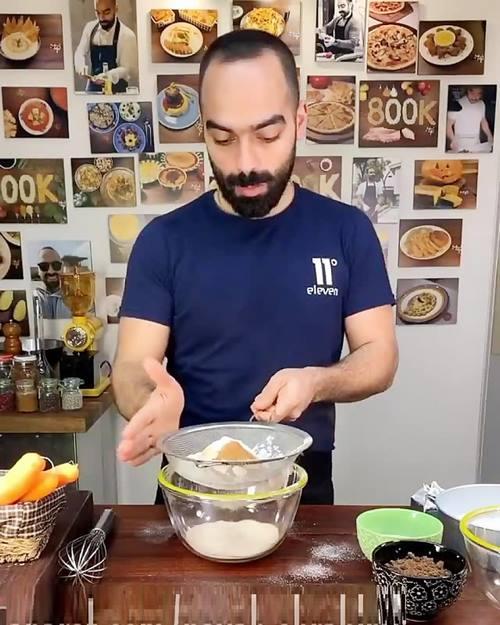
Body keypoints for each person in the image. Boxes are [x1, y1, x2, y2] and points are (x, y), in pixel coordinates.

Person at [112, 30, 398, 505]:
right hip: (191, 477)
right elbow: (129, 366)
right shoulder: (163, 241)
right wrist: (151, 401)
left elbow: (379, 357)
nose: (245, 163)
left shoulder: (346, 231)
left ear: (299, 120)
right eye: (223, 138)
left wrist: (316, 381)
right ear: (203, 131)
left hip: (302, 479)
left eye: (267, 135)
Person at [74, 0, 138, 93]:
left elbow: (128, 70)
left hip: (117, 91)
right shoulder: (89, 28)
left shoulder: (127, 35)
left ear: (116, 9)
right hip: (93, 88)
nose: (101, 18)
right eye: (98, 13)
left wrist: (108, 76)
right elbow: (79, 52)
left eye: (106, 12)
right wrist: (81, 68)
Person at [447, 86, 494, 153]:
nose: (476, 97)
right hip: (460, 144)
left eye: (479, 93)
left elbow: (483, 121)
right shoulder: (457, 104)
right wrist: (453, 140)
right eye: (472, 93)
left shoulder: (481, 104)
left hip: (476, 144)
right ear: (467, 91)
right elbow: (448, 126)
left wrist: (489, 136)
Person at [34, 247, 72, 320]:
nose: (51, 271)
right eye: (44, 266)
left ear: (62, 267)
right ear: (38, 270)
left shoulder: (78, 297)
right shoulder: (33, 297)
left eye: (56, 265)